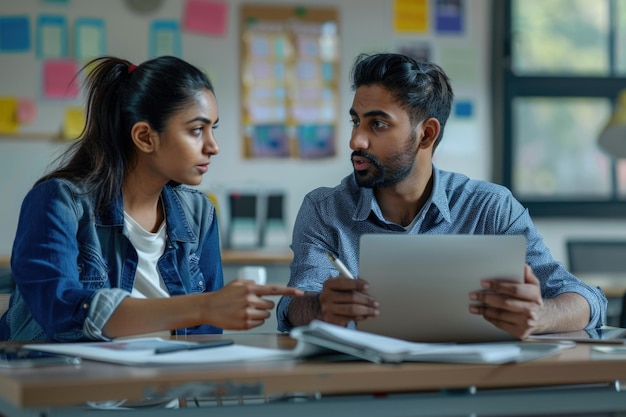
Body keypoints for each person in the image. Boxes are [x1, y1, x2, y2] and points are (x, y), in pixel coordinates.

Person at [276, 52, 607, 340]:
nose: (356, 141)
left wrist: (540, 316)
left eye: (377, 124)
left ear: (426, 134)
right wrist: (320, 306)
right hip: (363, 389)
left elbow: (585, 299)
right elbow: (293, 306)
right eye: (355, 121)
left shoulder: (491, 208)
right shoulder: (324, 209)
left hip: (473, 389)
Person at [0, 55, 303, 342]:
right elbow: (62, 313)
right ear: (145, 137)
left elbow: (204, 338)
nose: (213, 146)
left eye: (213, 129)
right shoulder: (59, 201)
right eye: (197, 130)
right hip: (76, 393)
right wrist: (203, 306)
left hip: (165, 393)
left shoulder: (199, 213)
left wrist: (207, 312)